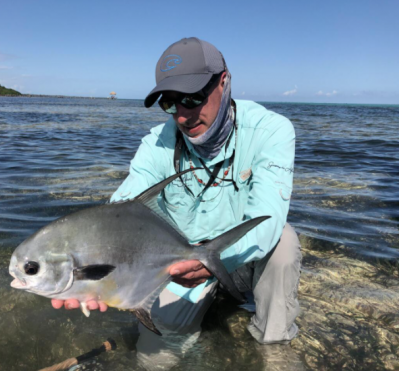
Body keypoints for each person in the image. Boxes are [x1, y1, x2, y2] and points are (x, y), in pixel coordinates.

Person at [51, 37, 302, 367]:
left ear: (224, 82)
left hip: (244, 257)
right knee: (155, 360)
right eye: (170, 103)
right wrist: (91, 267)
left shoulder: (271, 131)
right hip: (182, 268)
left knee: (284, 241)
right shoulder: (155, 144)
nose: (183, 115)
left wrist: (217, 260)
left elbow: (267, 218)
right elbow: (122, 208)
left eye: (193, 98)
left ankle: (274, 347)